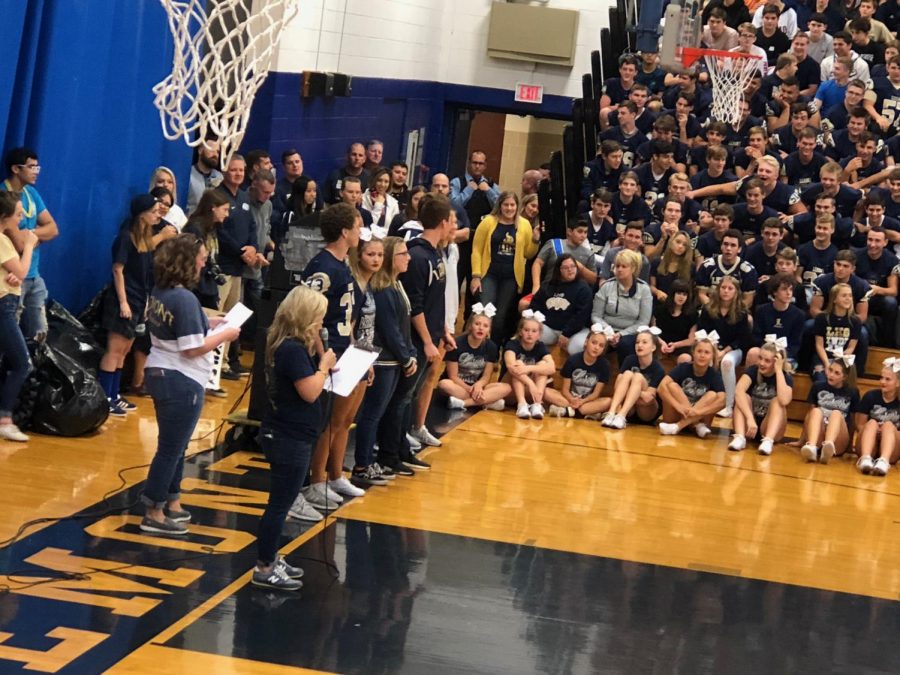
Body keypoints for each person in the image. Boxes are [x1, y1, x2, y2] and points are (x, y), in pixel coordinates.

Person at [140, 234, 241, 535]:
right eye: (199, 256)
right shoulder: (184, 298)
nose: (203, 262)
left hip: (160, 371)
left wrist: (209, 323)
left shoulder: (162, 291)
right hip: (179, 379)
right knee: (171, 448)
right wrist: (225, 335)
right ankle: (153, 512)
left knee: (177, 445)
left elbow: (177, 329)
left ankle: (172, 501)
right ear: (186, 260)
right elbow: (192, 348)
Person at [252, 284, 336, 588]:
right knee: (279, 505)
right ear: (305, 316)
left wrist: (317, 346)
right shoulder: (292, 351)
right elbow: (311, 392)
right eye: (318, 318)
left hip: (287, 433)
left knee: (281, 503)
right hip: (289, 437)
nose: (322, 324)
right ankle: (264, 567)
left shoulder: (288, 344)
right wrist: (324, 367)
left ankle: (271, 557)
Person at [381, 194, 456, 471]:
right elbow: (415, 305)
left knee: (408, 397)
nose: (454, 227)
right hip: (415, 340)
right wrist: (426, 340)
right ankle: (390, 453)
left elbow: (435, 300)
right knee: (401, 397)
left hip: (433, 335)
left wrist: (444, 330)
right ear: (443, 222)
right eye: (452, 221)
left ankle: (401, 447)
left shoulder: (436, 252)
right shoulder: (419, 255)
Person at [298, 203, 363, 509]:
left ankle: (333, 475)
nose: (361, 231)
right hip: (326, 356)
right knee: (325, 421)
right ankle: (315, 482)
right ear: (344, 231)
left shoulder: (343, 263)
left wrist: (354, 350)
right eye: (357, 225)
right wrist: (323, 356)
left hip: (344, 350)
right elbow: (307, 315)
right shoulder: (323, 266)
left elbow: (347, 316)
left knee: (342, 419)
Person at [354, 236, 418, 485]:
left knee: (378, 413)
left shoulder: (394, 285)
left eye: (380, 255)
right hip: (383, 360)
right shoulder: (382, 290)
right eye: (403, 254)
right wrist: (406, 357)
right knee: (371, 414)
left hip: (393, 360)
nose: (408, 258)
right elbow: (390, 329)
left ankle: (371, 460)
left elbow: (402, 326)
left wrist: (409, 352)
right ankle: (363, 464)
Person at [98, 194, 159, 416]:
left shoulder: (144, 240)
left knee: (125, 350)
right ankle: (105, 397)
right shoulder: (125, 238)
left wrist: (144, 303)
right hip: (123, 300)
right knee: (114, 349)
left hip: (138, 300)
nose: (156, 215)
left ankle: (114, 395)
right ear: (142, 214)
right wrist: (123, 301)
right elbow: (118, 269)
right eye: (153, 211)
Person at [1, 147, 59, 340]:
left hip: (34, 275)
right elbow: (17, 244)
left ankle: (30, 367)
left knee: (39, 335)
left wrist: (31, 235)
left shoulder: (31, 194)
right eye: (31, 167)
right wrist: (29, 241)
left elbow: (53, 228)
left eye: (37, 167)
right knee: (9, 338)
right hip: (11, 278)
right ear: (16, 169)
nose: (36, 172)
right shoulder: (4, 197)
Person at [470, 191, 540, 344]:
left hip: (511, 277)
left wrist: (535, 240)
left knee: (500, 317)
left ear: (517, 206)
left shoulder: (525, 225)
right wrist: (476, 276)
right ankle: (477, 348)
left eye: (512, 205)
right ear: (500, 206)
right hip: (489, 274)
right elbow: (476, 250)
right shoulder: (488, 222)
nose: (509, 208)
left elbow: (528, 254)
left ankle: (492, 353)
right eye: (506, 205)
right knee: (485, 313)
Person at [0, 192, 37, 442]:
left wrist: (10, 275)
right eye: (18, 214)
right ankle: (5, 419)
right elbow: (22, 271)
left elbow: (15, 272)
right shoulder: (2, 240)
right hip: (4, 307)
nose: (22, 218)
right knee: (22, 363)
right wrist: (31, 246)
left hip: (7, 301)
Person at [580, 249, 653, 359]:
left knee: (625, 344)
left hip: (630, 332)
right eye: (617, 266)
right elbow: (596, 315)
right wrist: (608, 332)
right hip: (606, 330)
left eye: (624, 266)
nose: (619, 269)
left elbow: (643, 322)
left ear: (633, 269)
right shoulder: (606, 286)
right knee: (595, 343)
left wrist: (621, 334)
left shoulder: (644, 289)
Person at [697, 276, 751, 417]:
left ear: (736, 292)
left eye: (730, 288)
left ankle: (728, 405)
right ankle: (701, 401)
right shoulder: (708, 309)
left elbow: (742, 339)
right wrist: (714, 351)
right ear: (718, 289)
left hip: (734, 349)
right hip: (711, 346)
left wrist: (723, 351)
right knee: (704, 358)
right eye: (723, 287)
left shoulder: (741, 312)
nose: (726, 291)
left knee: (727, 362)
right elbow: (703, 332)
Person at [728, 338, 793, 455]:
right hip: (749, 425)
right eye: (760, 358)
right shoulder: (753, 371)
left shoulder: (785, 377)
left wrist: (778, 370)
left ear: (777, 362)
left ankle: (768, 441)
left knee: (777, 402)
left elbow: (784, 400)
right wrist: (749, 418)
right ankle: (739, 437)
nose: (761, 363)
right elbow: (738, 391)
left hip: (769, 427)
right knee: (743, 396)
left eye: (767, 361)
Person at [440, 302, 509, 411]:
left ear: (489, 330)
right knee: (444, 384)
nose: (481, 328)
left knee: (506, 387)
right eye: (477, 324)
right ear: (470, 326)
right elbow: (453, 376)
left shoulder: (491, 347)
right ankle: (486, 402)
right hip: (458, 386)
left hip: (477, 387)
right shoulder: (457, 343)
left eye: (485, 326)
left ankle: (464, 403)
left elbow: (486, 376)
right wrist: (470, 389)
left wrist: (478, 386)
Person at [658, 332, 727, 437]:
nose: (702, 355)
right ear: (693, 353)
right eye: (699, 351)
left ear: (712, 356)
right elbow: (661, 387)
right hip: (677, 415)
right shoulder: (683, 367)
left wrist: (698, 412)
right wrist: (678, 406)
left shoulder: (714, 374)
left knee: (712, 394)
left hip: (700, 417)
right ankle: (697, 425)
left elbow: (723, 401)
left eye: (707, 352)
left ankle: (678, 427)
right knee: (672, 386)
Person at [601, 326, 667, 429]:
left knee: (637, 377)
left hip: (647, 412)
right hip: (630, 409)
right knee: (627, 374)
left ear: (653, 347)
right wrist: (633, 392)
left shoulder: (658, 368)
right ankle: (611, 413)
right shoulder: (629, 360)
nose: (639, 345)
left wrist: (631, 390)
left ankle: (621, 416)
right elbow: (617, 386)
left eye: (644, 342)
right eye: (637, 342)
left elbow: (648, 398)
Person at [799, 352, 859, 463]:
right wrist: (801, 440)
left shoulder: (852, 392)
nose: (831, 375)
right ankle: (812, 447)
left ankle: (828, 446)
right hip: (818, 434)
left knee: (836, 413)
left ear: (845, 377)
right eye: (830, 370)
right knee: (816, 411)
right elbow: (809, 415)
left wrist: (849, 446)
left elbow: (852, 421)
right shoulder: (817, 386)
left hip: (838, 441)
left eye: (836, 373)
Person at [527, 254, 593, 352]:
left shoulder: (584, 288)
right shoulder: (548, 285)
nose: (570, 270)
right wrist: (536, 322)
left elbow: (581, 316)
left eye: (573, 266)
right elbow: (535, 306)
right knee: (528, 335)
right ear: (559, 270)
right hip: (549, 327)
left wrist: (567, 333)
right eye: (565, 267)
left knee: (576, 348)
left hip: (574, 331)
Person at [544, 326, 612, 419]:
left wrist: (582, 401)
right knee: (546, 392)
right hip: (569, 399)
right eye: (594, 343)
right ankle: (585, 413)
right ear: (586, 342)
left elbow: (596, 394)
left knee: (608, 401)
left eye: (601, 345)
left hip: (587, 402)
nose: (596, 347)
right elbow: (565, 390)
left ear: (603, 349)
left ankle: (567, 411)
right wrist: (572, 399)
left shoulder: (604, 365)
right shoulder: (573, 360)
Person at [503, 310, 556, 419]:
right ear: (520, 331)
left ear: (539, 334)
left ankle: (537, 404)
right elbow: (512, 368)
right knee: (518, 363)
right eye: (526, 330)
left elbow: (552, 368)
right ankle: (521, 405)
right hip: (510, 388)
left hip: (531, 391)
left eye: (534, 331)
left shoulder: (540, 346)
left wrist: (529, 368)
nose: (530, 334)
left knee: (542, 365)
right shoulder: (513, 344)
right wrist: (531, 384)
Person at [855, 359, 900, 475]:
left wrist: (887, 431)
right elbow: (860, 425)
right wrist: (875, 431)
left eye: (887, 379)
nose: (882, 382)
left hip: (892, 448)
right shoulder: (870, 396)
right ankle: (865, 459)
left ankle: (884, 462)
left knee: (888, 425)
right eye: (881, 378)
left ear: (898, 383)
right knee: (872, 423)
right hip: (870, 443)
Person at [811, 283, 861, 382]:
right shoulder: (822, 318)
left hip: (843, 359)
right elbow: (819, 345)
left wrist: (838, 364)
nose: (848, 298)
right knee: (821, 379)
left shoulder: (855, 321)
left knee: (844, 380)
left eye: (850, 295)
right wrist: (827, 364)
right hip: (823, 358)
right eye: (844, 295)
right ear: (834, 299)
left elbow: (851, 347)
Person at [654, 278, 697, 361]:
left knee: (686, 358)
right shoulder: (660, 310)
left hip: (681, 347)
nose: (681, 297)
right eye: (678, 293)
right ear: (672, 294)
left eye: (684, 294)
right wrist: (662, 343)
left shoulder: (692, 314)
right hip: (660, 343)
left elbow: (691, 340)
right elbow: (653, 332)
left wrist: (675, 345)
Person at [649, 231, 694, 304]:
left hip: (680, 306)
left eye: (684, 245)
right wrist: (657, 292)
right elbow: (651, 286)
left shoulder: (691, 266)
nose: (680, 246)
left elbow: (690, 291)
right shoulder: (657, 262)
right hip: (660, 303)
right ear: (671, 242)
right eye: (678, 242)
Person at [186, 139, 222, 214]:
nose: (215, 154)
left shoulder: (220, 177)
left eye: (217, 152)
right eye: (212, 150)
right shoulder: (188, 175)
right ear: (200, 150)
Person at [149, 166, 187, 231]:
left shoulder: (178, 211)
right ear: (154, 184)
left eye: (170, 182)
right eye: (161, 181)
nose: (166, 185)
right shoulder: (146, 209)